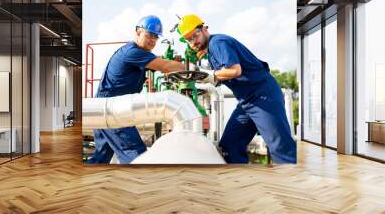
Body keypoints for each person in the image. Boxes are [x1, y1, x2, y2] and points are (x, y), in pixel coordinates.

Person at [177, 14, 296, 164]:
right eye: (189, 39)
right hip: (246, 102)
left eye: (196, 35)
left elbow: (235, 71)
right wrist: (206, 75)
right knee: (230, 146)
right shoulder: (211, 52)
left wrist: (211, 75)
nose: (194, 41)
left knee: (280, 147)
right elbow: (224, 75)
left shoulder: (217, 43)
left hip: (263, 97)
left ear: (204, 29)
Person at [87, 15, 185, 164]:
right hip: (113, 110)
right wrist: (187, 67)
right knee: (136, 155)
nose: (153, 40)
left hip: (103, 108)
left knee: (100, 158)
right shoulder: (132, 52)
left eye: (156, 37)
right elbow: (165, 67)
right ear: (138, 33)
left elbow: (160, 63)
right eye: (149, 35)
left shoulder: (139, 54)